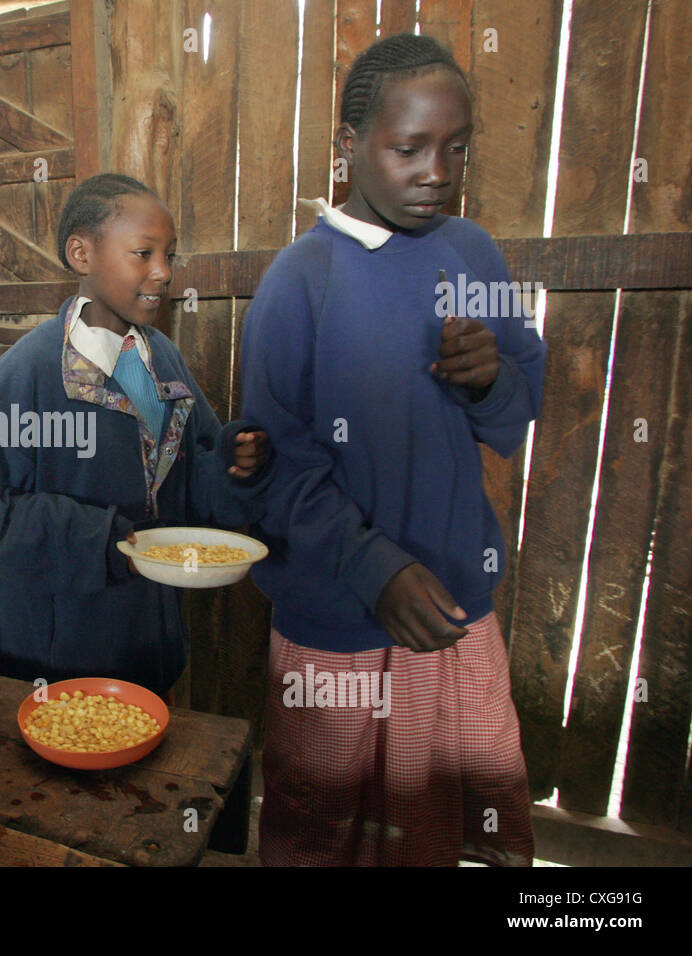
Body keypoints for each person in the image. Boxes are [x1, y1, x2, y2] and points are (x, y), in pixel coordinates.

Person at [239, 33, 546, 866]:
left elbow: (518, 408)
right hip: (336, 620)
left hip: (453, 609)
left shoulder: (472, 251)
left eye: (456, 148)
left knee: (446, 816)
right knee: (323, 816)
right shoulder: (299, 282)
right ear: (348, 144)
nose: (436, 172)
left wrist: (490, 384)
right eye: (408, 147)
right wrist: (376, 567)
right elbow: (278, 467)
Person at [0, 173, 272, 698]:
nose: (162, 272)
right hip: (51, 657)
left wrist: (232, 465)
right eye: (142, 253)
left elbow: (189, 482)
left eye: (169, 255)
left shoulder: (161, 360)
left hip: (144, 644)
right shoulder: (33, 371)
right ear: (81, 254)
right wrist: (99, 541)